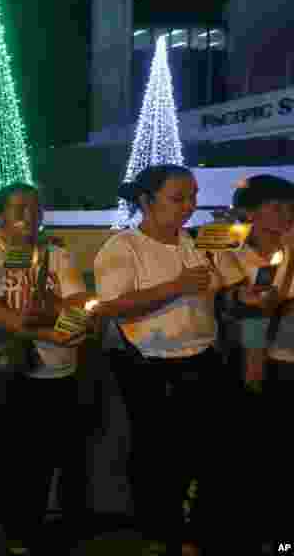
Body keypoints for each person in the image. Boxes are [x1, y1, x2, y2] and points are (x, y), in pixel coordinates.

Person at [94, 164, 243, 556]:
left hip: (205, 358)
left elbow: (232, 284)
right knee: (159, 454)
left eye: (193, 197)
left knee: (212, 453)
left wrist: (235, 244)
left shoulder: (197, 241)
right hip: (149, 364)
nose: (189, 206)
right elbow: (112, 305)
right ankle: (161, 535)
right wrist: (174, 286)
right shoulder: (123, 247)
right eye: (179, 198)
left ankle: (198, 533)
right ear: (146, 201)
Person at [0, 182, 92, 555]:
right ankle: (17, 534)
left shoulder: (57, 256)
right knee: (12, 458)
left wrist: (54, 308)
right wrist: (50, 330)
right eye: (19, 208)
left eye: (36, 208)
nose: (29, 216)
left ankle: (50, 528)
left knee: (55, 455)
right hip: (5, 372)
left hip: (57, 372)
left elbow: (79, 305)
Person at [218, 175, 294, 545]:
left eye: (290, 207)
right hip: (258, 362)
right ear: (250, 212)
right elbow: (241, 308)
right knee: (256, 455)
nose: (286, 215)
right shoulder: (233, 254)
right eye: (276, 207)